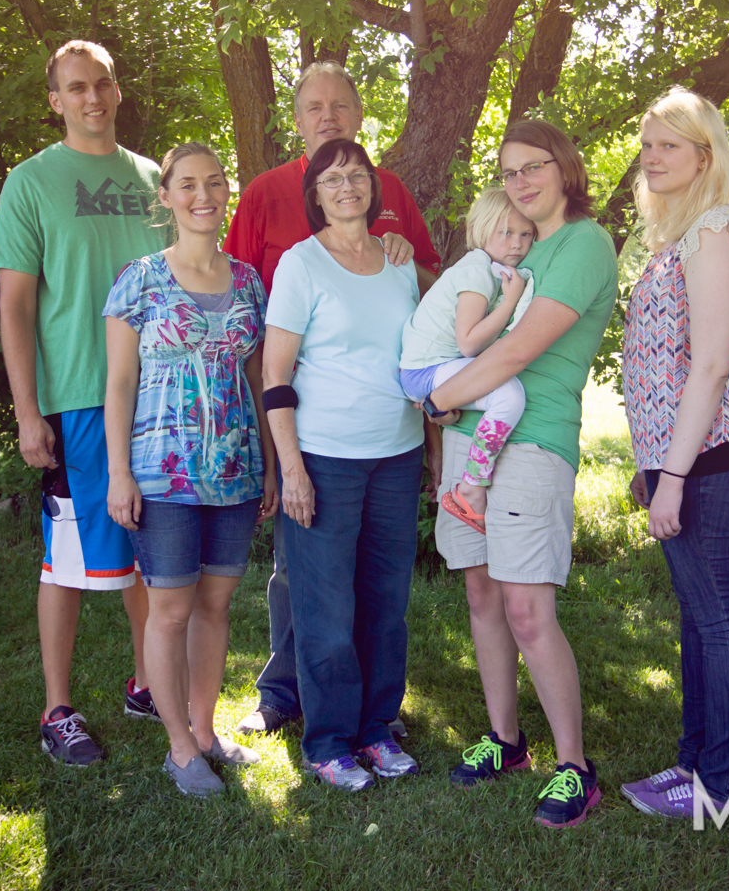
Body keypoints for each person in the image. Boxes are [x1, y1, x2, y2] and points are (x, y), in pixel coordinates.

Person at [225, 61, 441, 737]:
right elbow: (237, 296)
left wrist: (402, 245)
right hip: (287, 401)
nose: (328, 117)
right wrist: (271, 446)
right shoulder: (264, 194)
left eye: (339, 106)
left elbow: (426, 287)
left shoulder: (390, 191)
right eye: (314, 107)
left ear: (357, 114)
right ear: (296, 120)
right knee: (302, 569)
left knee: (366, 578)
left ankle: (367, 708)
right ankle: (285, 694)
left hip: (383, 429)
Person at [424, 119, 618, 827]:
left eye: (534, 166)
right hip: (470, 440)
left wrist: (437, 399)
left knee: (529, 607)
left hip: (531, 441)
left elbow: (516, 354)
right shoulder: (518, 249)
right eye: (509, 172)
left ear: (565, 167)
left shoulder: (584, 243)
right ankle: (506, 740)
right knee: (480, 593)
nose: (522, 182)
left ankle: (576, 767)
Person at [0, 40, 164, 765]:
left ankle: (149, 684)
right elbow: (16, 309)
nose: (93, 97)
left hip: (162, 399)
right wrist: (29, 412)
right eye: (76, 88)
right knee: (68, 559)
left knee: (154, 554)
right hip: (79, 400)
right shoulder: (30, 183)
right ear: (56, 100)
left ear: (118, 92)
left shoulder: (155, 178)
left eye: (103, 84)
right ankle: (57, 708)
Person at [619, 86, 729, 819]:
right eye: (647, 145)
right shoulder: (680, 235)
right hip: (680, 454)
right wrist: (653, 460)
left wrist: (673, 476)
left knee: (716, 618)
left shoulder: (717, 229)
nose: (651, 159)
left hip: (710, 457)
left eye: (668, 146)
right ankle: (693, 766)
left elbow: (712, 362)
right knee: (697, 615)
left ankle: (718, 786)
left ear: (704, 155)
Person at [102, 142, 277, 797]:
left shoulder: (250, 283)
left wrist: (273, 466)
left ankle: (206, 733)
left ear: (225, 192)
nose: (203, 195)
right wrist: (119, 472)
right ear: (167, 197)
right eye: (188, 185)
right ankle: (178, 748)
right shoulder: (140, 278)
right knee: (168, 611)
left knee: (215, 605)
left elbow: (259, 382)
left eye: (214, 183)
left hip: (235, 472)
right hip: (161, 475)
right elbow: (119, 384)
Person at [262, 138, 425, 790]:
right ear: (315, 195)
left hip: (398, 454)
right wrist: (292, 468)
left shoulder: (398, 263)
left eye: (357, 175)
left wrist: (435, 449)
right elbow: (275, 375)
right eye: (333, 178)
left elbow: (420, 357)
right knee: (326, 608)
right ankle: (327, 740)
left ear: (373, 187)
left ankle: (376, 730)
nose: (347, 185)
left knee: (386, 603)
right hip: (325, 458)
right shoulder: (302, 265)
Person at [399, 189, 537, 530]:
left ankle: (471, 484)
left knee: (505, 393)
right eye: (505, 233)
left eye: (526, 234)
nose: (517, 243)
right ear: (482, 230)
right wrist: (509, 302)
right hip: (426, 370)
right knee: (509, 394)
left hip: (432, 369)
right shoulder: (477, 270)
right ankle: (471, 489)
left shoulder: (489, 267)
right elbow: (468, 343)